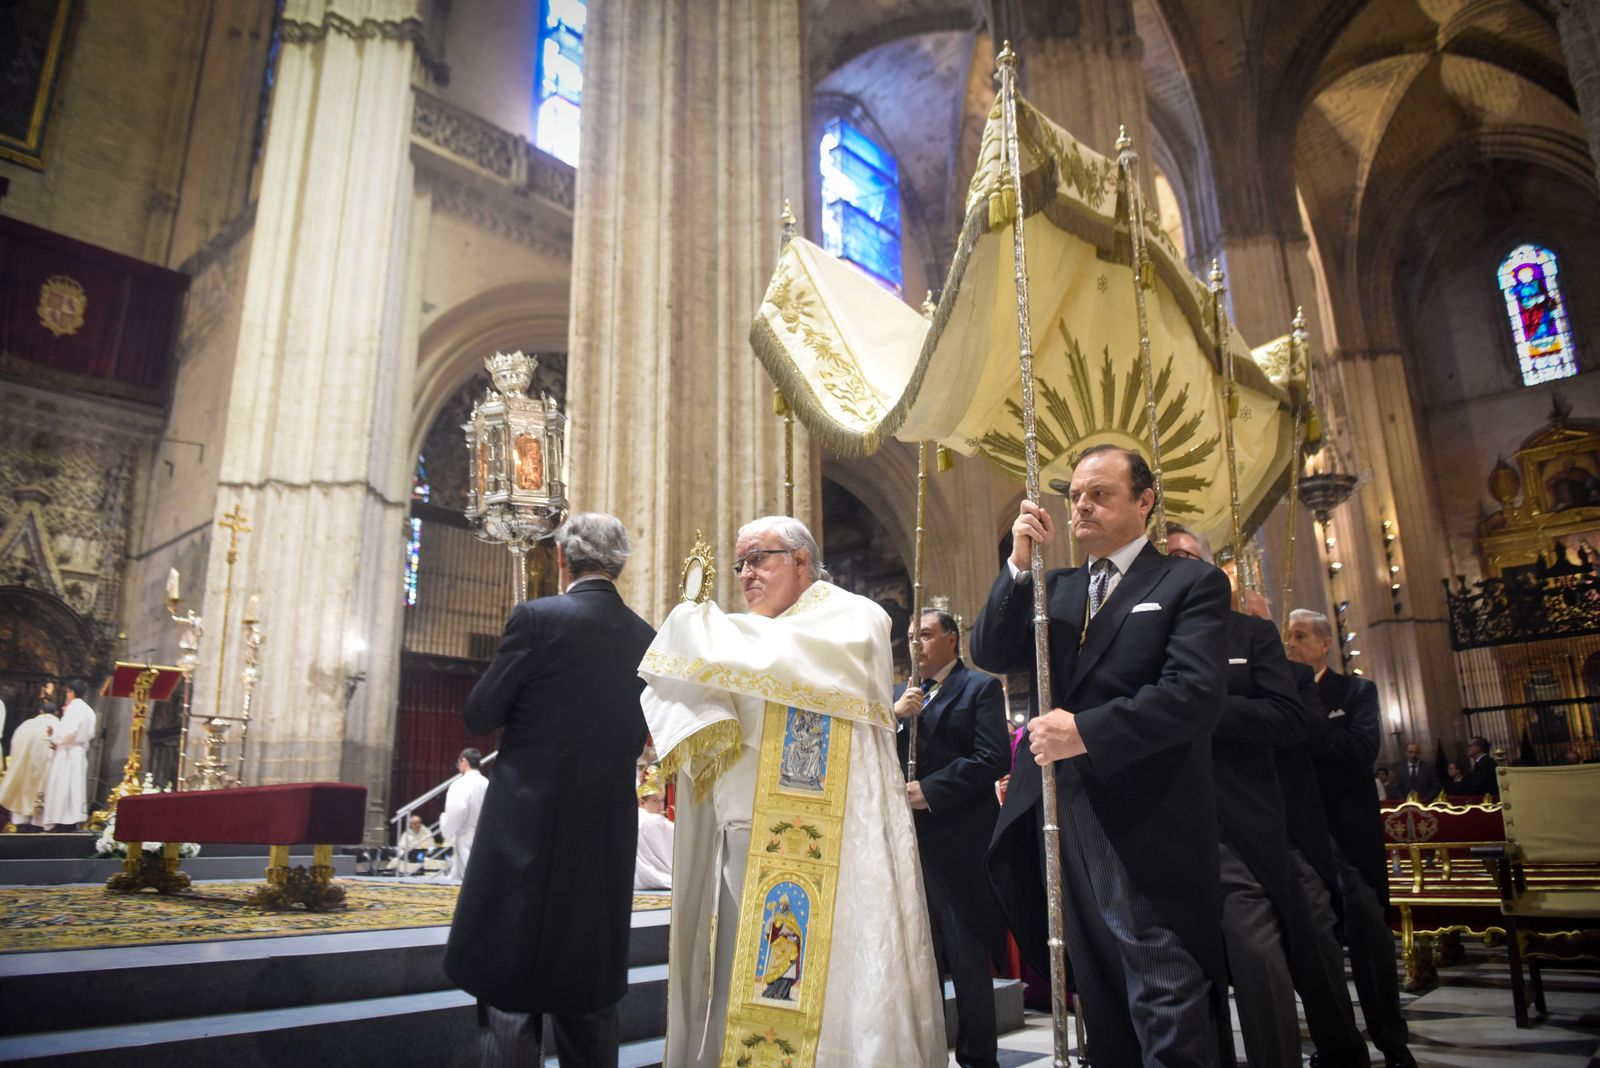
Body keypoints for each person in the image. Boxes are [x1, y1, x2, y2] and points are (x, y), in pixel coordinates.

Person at [639, 515, 945, 1067]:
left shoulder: (855, 618)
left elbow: (785, 655)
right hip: (744, 846)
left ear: (802, 560)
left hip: (838, 855)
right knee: (746, 984)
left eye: (759, 558)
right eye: (740, 565)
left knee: (834, 992)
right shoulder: (748, 641)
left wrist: (699, 630)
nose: (746, 574)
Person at [971, 445, 1233, 1066]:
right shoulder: (1052, 588)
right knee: (1097, 981)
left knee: (1161, 981)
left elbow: (1192, 695)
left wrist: (1086, 729)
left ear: (1145, 502)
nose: (1082, 504)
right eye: (1076, 496)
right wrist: (1018, 562)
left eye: (1100, 493)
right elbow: (989, 650)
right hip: (1060, 809)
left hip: (1143, 812)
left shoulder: (1186, 582)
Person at [443, 513, 655, 1068]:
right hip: (603, 834)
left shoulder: (537, 618)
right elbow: (638, 733)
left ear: (562, 557)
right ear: (621, 564)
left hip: (526, 834)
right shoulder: (647, 638)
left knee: (513, 990)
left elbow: (480, 712)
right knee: (588, 995)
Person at [1167, 525, 1366, 1068]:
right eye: (1168, 559)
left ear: (1212, 571)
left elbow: (1287, 720)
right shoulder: (1151, 639)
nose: (1179, 566)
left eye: (1189, 557)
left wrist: (1194, 708)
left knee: (1284, 959)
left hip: (1260, 823)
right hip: (1176, 825)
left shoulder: (1250, 637)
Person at [1286, 608, 1416, 1068]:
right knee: (1317, 953)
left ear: (1325, 644)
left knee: (1370, 944)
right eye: (1287, 636)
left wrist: (1304, 714)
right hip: (1303, 838)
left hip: (1350, 838)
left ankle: (1392, 1042)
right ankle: (1337, 1042)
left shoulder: (1356, 691)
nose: (1291, 644)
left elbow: (1360, 751)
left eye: (1301, 636)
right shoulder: (1281, 697)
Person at [894, 608, 1009, 1068]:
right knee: (921, 963)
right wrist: (894, 716)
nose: (914, 644)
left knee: (966, 960)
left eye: (923, 634)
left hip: (960, 844)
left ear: (950, 640)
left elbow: (992, 757)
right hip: (910, 846)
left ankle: (979, 1058)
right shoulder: (903, 694)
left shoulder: (977, 687)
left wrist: (933, 790)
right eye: (908, 636)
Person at [0, 687, 61, 832]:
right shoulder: (59, 727)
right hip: (46, 775)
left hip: (24, 772)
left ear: (40, 711)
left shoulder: (25, 726)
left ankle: (20, 824)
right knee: (41, 805)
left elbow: (14, 748)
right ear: (56, 713)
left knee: (22, 798)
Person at [42, 678, 96, 831]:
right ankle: (73, 819)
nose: (67, 695)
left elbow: (69, 732)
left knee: (63, 785)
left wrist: (55, 735)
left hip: (68, 752)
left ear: (71, 692)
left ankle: (61, 820)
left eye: (67, 692)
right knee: (75, 786)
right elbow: (91, 734)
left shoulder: (74, 707)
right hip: (79, 752)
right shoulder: (89, 710)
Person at [439, 748, 488, 881]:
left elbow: (457, 810)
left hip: (466, 836)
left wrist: (446, 826)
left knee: (469, 879)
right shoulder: (487, 784)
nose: (458, 766)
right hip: (484, 837)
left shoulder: (460, 784)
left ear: (464, 761)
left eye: (458, 763)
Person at [635, 764, 674, 891]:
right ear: (642, 802)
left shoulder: (656, 820)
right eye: (655, 801)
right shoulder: (647, 819)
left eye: (662, 800)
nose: (660, 806)